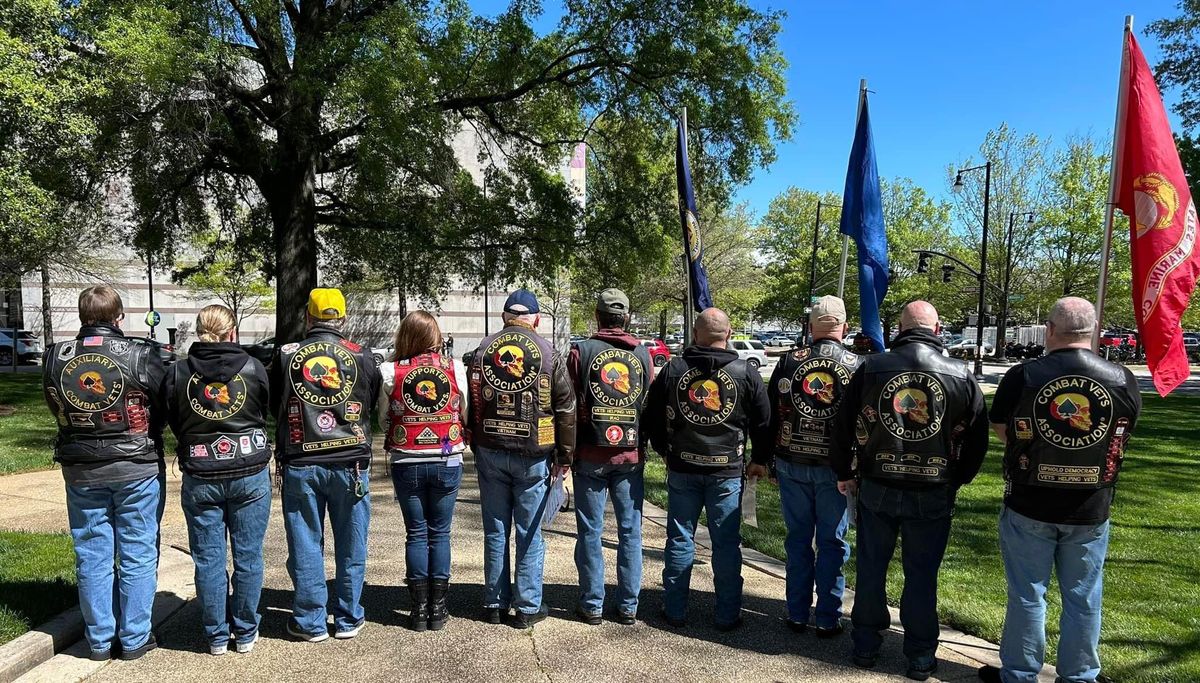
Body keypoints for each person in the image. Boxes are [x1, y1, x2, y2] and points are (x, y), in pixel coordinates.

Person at [978, 298, 1141, 683]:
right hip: (1090, 507)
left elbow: (1002, 429)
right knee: (1083, 598)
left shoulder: (1023, 376)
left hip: (1029, 503)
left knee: (1027, 595)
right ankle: (1081, 675)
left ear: (1050, 330)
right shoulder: (1122, 378)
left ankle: (1019, 674)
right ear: (1095, 329)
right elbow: (1123, 431)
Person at [831, 301, 989, 681]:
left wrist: (845, 470)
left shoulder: (872, 368)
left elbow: (842, 425)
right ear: (937, 330)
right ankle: (919, 655)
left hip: (878, 483)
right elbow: (978, 439)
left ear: (901, 328)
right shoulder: (960, 374)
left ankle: (865, 645)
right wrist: (957, 477)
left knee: (871, 567)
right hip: (932, 488)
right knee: (922, 575)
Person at [42, 285, 167, 661]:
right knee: (138, 550)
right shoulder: (141, 353)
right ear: (119, 317)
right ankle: (134, 638)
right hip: (136, 466)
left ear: (83, 317)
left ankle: (98, 640)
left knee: (92, 552)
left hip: (81, 469)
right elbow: (160, 406)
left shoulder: (54, 356)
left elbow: (54, 402)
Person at [644, 307, 771, 630]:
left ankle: (675, 610)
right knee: (726, 543)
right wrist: (760, 459)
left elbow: (651, 416)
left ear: (696, 334)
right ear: (727, 334)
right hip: (726, 471)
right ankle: (727, 615)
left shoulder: (674, 369)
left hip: (684, 467)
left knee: (680, 539)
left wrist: (665, 450)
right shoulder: (746, 372)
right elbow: (764, 422)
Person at [270, 288, 382, 642]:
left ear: (308, 317)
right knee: (352, 542)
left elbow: (275, 404)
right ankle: (348, 617)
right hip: (350, 462)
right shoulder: (362, 356)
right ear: (342, 319)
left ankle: (310, 621)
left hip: (301, 460)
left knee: (305, 542)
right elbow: (372, 400)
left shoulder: (286, 355)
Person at [163, 305, 271, 655]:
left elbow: (174, 419)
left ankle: (215, 636)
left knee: (208, 559)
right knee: (248, 556)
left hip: (201, 473)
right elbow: (261, 411)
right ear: (232, 332)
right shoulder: (254, 368)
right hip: (249, 472)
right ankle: (245, 631)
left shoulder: (178, 372)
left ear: (199, 331)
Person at [466, 289, 575, 628]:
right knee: (530, 531)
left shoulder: (482, 350)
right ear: (537, 320)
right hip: (534, 453)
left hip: (490, 449)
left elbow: (473, 400)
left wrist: (477, 438)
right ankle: (527, 607)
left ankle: (495, 604)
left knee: (495, 529)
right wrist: (566, 455)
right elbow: (565, 408)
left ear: (503, 318)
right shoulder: (548, 353)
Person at [767, 295, 860, 637]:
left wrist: (767, 458)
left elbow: (771, 412)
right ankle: (827, 616)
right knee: (833, 543)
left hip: (792, 461)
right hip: (837, 470)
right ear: (844, 328)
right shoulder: (857, 364)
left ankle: (796, 612)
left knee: (798, 539)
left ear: (810, 327)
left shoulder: (790, 361)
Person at [377, 311, 469, 632]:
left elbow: (382, 418)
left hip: (406, 458)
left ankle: (418, 610)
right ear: (436, 337)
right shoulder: (455, 368)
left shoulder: (391, 371)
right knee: (440, 532)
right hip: (447, 456)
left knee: (416, 532)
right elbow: (464, 410)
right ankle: (439, 608)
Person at [567, 288, 652, 626]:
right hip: (629, 456)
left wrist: (566, 451)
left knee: (590, 531)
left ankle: (592, 605)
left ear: (597, 316)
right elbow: (646, 401)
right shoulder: (643, 355)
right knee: (630, 532)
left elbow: (570, 404)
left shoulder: (580, 352)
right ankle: (629, 606)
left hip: (589, 454)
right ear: (626, 317)